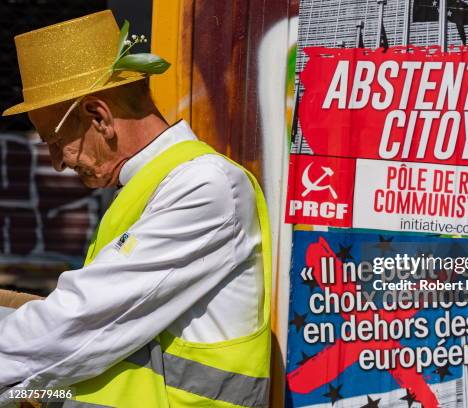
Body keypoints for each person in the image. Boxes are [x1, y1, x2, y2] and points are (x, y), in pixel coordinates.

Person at [0, 10, 271, 408]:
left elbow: (78, 325)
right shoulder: (149, 187)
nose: (57, 162)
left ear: (99, 116)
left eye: (55, 142)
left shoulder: (204, 186)